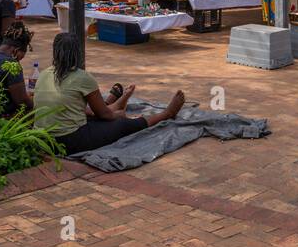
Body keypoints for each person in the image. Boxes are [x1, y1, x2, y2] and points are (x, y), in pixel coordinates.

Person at [33, 31, 186, 155]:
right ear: (77, 53)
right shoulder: (82, 77)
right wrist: (118, 115)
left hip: (43, 139)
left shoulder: (44, 74)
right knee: (121, 124)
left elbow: (73, 108)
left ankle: (118, 103)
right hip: (68, 141)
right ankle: (166, 114)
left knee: (95, 115)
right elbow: (104, 115)